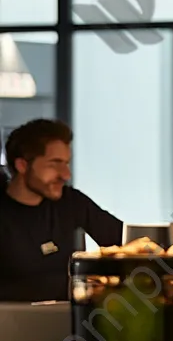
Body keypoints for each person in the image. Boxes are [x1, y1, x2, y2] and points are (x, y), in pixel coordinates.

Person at [0, 119, 122, 301]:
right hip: (10, 325)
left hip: (70, 321)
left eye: (66, 163)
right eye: (54, 164)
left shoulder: (71, 201)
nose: (66, 174)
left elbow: (125, 240)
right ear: (22, 166)